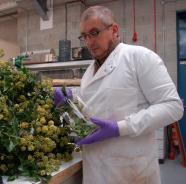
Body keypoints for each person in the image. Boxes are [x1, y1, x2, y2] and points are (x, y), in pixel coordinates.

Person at [54, 5, 184, 184]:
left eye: (94, 33)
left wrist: (120, 128)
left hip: (131, 172)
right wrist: (68, 107)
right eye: (84, 36)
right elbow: (89, 122)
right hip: (95, 172)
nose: (89, 42)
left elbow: (173, 106)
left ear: (114, 30)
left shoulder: (140, 57)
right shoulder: (87, 75)